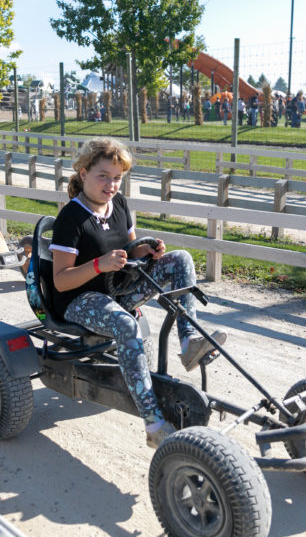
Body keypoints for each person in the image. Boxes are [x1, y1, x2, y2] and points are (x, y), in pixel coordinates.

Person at [50, 137, 227, 449]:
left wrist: (147, 250)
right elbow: (61, 281)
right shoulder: (71, 218)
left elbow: (130, 249)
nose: (111, 184)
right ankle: (153, 423)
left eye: (117, 177)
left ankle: (189, 343)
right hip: (80, 299)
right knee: (127, 325)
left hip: (118, 288)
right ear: (82, 173)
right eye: (103, 175)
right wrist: (98, 265)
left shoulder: (118, 203)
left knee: (181, 259)